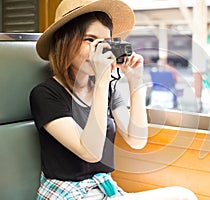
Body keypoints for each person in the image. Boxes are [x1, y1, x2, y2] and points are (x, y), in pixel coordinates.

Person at [30, 0, 198, 199]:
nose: (100, 49)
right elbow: (90, 152)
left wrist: (136, 83)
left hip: (102, 189)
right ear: (64, 41)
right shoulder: (45, 94)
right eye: (90, 40)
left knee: (182, 195)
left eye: (105, 42)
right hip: (66, 192)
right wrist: (102, 82)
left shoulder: (106, 89)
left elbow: (137, 140)